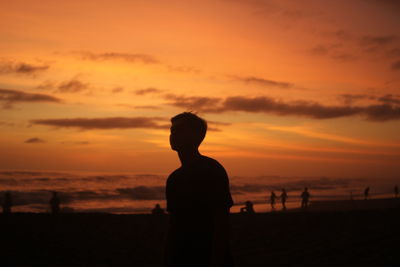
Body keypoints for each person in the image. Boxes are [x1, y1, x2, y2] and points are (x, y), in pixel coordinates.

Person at [165, 112, 234, 267]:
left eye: (179, 130)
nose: (173, 135)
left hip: (206, 255)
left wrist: (216, 260)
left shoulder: (211, 169)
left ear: (197, 136)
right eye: (172, 131)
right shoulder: (174, 178)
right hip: (181, 256)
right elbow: (173, 225)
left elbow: (221, 222)